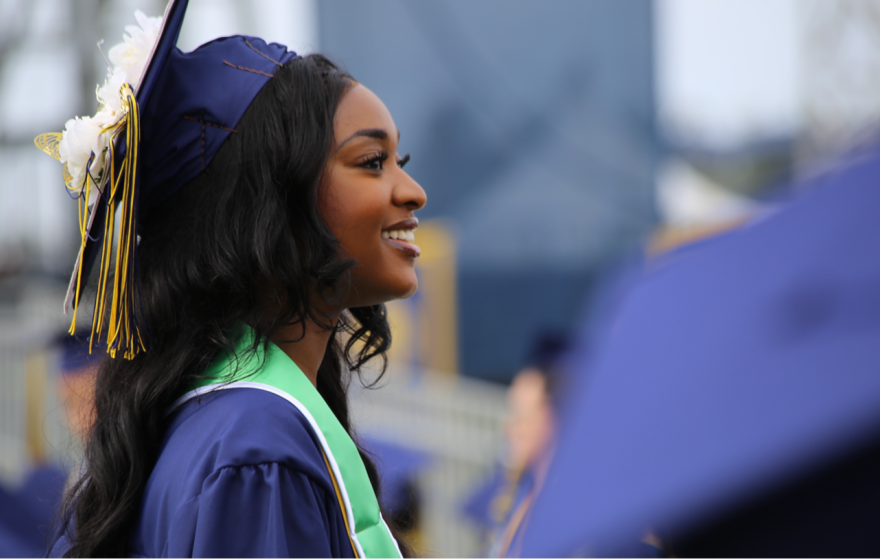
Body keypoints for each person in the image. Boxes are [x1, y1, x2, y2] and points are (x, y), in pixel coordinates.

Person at [40, 0, 426, 557]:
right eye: (372, 161)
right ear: (271, 207)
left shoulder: (195, 427)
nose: (413, 192)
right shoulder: (257, 449)